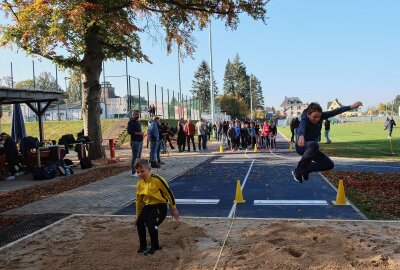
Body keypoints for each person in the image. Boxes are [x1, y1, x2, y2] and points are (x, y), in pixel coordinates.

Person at [292, 101, 363, 183]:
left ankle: (306, 170)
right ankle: (298, 171)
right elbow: (302, 126)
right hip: (302, 145)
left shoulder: (321, 116)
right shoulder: (305, 117)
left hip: (312, 148)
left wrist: (350, 106)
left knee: (329, 165)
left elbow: (335, 111)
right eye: (314, 117)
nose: (317, 119)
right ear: (308, 115)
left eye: (319, 117)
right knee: (314, 145)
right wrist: (301, 136)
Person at [134, 159, 179, 256]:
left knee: (150, 221)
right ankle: (143, 245)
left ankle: (155, 246)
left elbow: (169, 193)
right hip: (149, 205)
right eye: (137, 172)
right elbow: (139, 201)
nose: (140, 174)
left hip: (160, 205)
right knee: (139, 222)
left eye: (142, 171)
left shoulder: (157, 180)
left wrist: (174, 208)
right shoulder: (139, 184)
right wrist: (138, 215)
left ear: (149, 169)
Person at [127, 110, 144, 177]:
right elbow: (129, 131)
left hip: (140, 141)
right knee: (135, 157)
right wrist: (139, 133)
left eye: (138, 114)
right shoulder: (131, 122)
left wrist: (141, 134)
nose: (138, 115)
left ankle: (138, 171)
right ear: (133, 114)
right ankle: (133, 172)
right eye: (136, 114)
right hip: (135, 141)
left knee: (139, 157)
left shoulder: (137, 122)